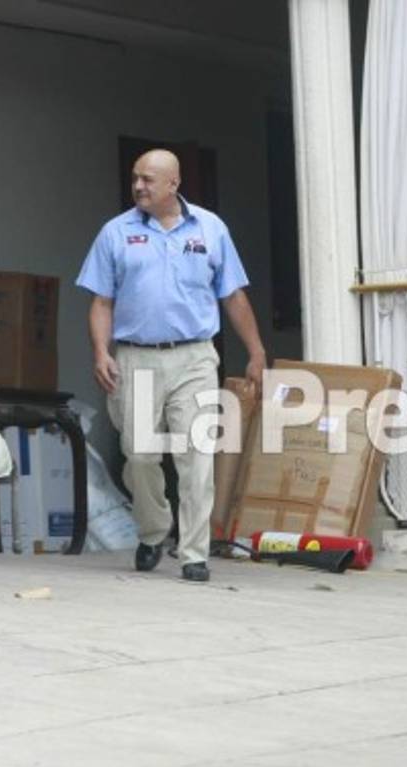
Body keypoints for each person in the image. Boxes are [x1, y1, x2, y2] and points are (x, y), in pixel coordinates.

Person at [78, 149, 267, 583]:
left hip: (194, 357)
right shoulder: (116, 232)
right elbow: (101, 301)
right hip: (136, 357)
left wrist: (256, 351)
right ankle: (153, 530)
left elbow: (233, 295)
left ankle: (194, 552)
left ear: (173, 184)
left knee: (195, 455)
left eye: (147, 179)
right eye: (135, 178)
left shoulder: (210, 229)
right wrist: (101, 351)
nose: (138, 186)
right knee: (140, 455)